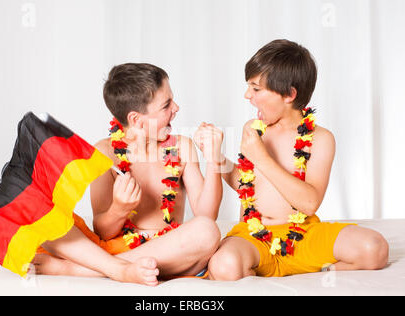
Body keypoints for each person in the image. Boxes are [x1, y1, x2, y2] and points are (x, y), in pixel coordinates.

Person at [206, 39, 389, 279]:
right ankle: (257, 268)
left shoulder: (321, 139)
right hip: (255, 236)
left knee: (375, 248)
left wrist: (262, 157)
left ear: (289, 94)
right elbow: (246, 185)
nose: (247, 95)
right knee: (223, 264)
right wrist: (215, 156)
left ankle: (323, 269)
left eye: (256, 88)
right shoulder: (253, 128)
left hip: (303, 236)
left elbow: (310, 203)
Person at [31, 63, 224, 286]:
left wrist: (213, 159)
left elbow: (206, 214)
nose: (177, 108)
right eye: (166, 105)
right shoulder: (104, 153)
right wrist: (119, 209)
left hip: (172, 248)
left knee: (207, 230)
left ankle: (83, 269)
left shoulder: (182, 147)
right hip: (119, 245)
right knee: (40, 213)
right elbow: (102, 230)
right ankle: (122, 267)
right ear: (135, 119)